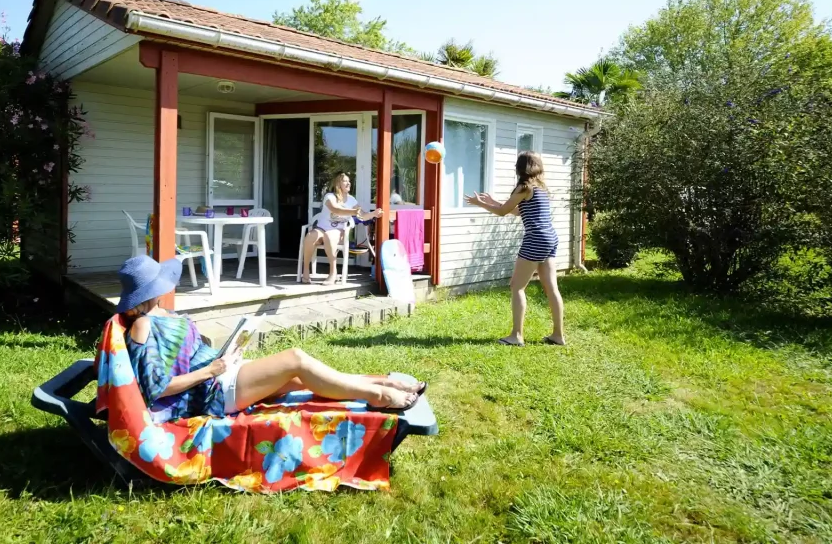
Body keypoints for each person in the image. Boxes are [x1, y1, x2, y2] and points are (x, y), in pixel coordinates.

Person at [115, 254, 425, 422]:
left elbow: (189, 351)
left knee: (307, 379)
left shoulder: (162, 314)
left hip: (221, 373)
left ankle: (380, 384)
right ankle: (381, 397)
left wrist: (227, 353)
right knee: (296, 359)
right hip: (211, 392)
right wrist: (212, 370)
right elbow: (156, 388)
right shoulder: (142, 325)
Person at [463, 151, 566, 346]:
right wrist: (492, 202)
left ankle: (516, 336)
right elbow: (519, 210)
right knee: (552, 288)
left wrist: (481, 204)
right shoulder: (540, 187)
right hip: (550, 238)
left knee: (516, 286)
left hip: (535, 238)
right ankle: (558, 335)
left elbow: (503, 212)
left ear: (520, 168)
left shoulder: (523, 186)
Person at [301, 172, 383, 285]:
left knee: (329, 236)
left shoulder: (351, 200)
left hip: (338, 230)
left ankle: (333, 273)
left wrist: (373, 214)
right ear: (337, 183)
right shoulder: (329, 196)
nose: (348, 183)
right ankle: (305, 271)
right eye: (345, 181)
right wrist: (353, 212)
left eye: (349, 181)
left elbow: (362, 215)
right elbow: (335, 209)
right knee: (310, 236)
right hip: (322, 228)